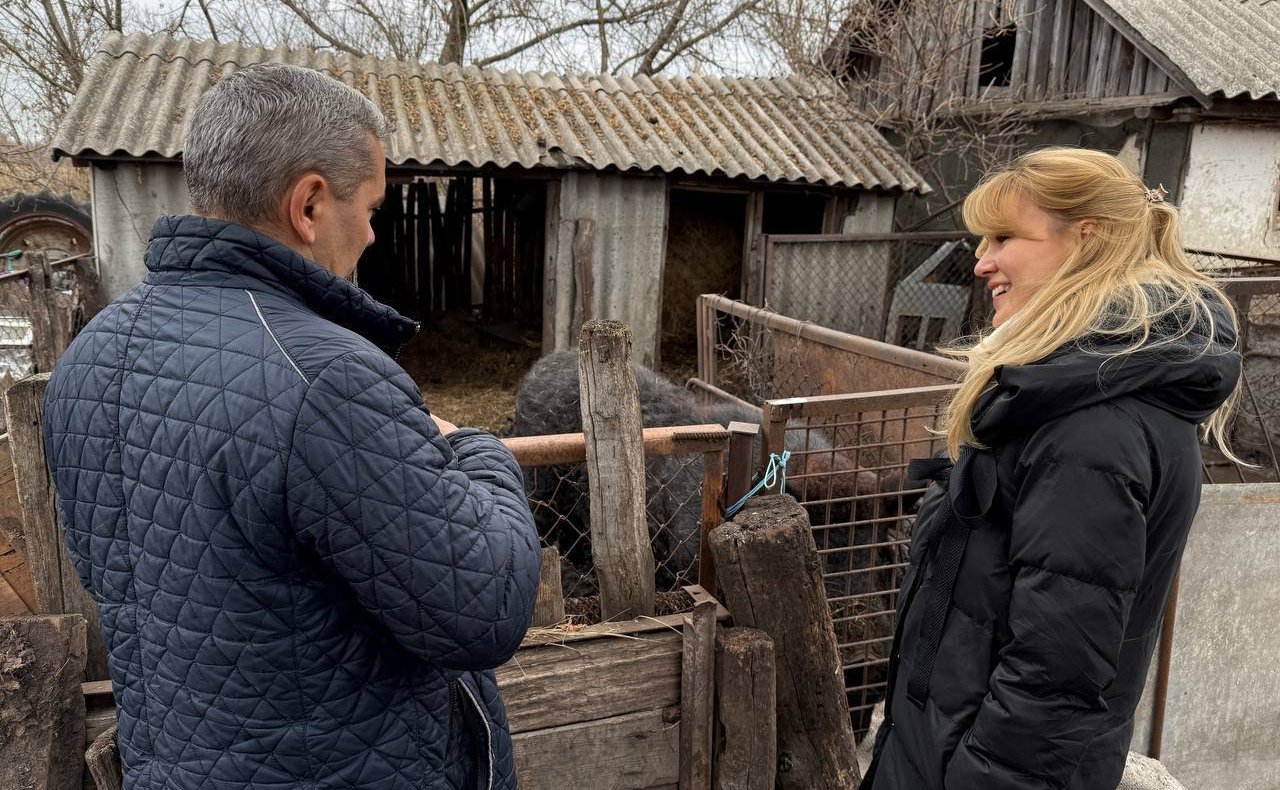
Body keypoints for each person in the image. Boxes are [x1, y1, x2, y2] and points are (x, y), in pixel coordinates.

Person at [42, 63, 541, 789]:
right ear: (309, 204)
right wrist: (472, 448)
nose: (373, 233)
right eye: (371, 207)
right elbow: (484, 610)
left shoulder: (88, 359)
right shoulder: (326, 378)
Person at [860, 147, 1241, 790]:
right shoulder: (1067, 396)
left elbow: (1053, 681)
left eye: (1005, 237)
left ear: (1086, 241)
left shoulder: (1091, 431)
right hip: (943, 752)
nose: (982, 261)